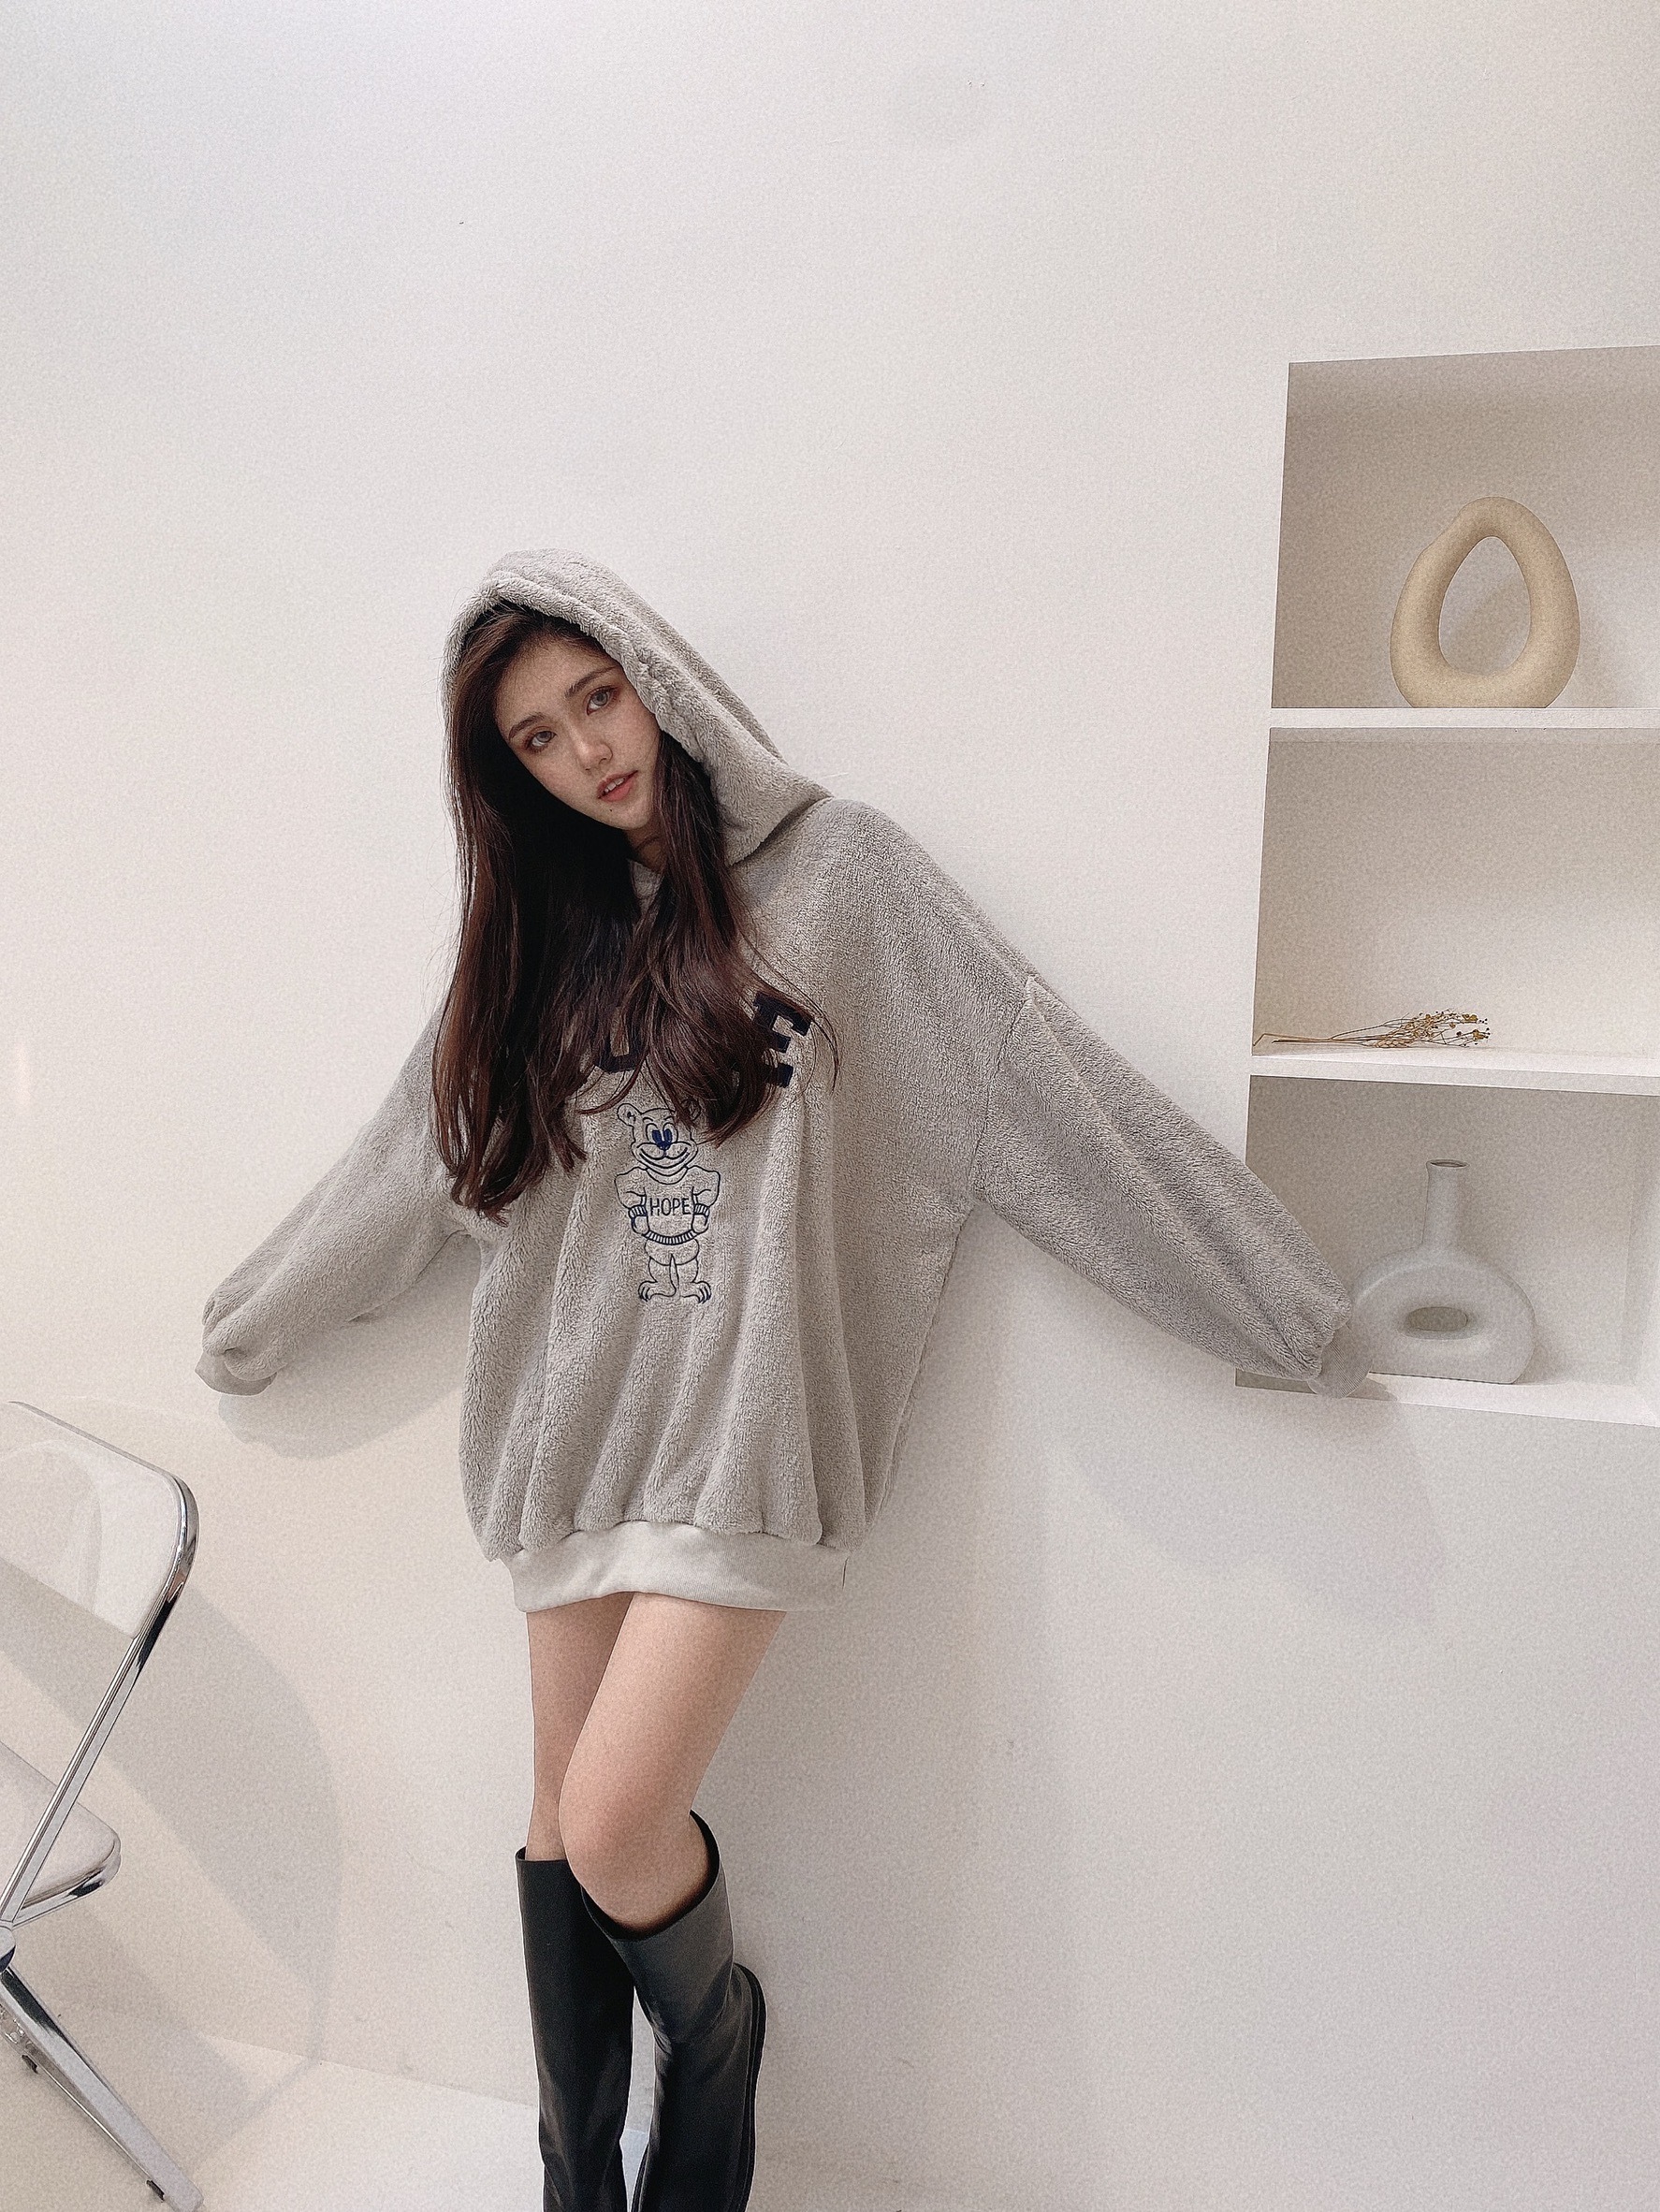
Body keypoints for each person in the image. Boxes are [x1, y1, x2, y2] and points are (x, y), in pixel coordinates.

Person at [196, 550, 1371, 2212]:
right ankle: (577, 2179)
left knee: (617, 1822)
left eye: (597, 698)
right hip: (567, 1450)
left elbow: (1040, 1092)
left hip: (747, 1448)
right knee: (555, 1824)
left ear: (656, 679)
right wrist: (252, 1324)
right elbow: (406, 1162)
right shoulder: (536, 947)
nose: (587, 752)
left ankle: (720, 2045)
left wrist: (1275, 1304)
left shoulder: (847, 881)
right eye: (536, 739)